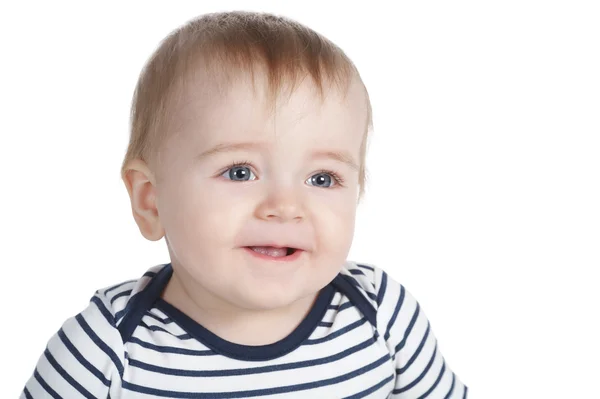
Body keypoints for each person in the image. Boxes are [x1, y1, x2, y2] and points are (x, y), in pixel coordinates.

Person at [21, 10, 467, 398]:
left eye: (322, 178)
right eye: (240, 171)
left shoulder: (380, 316)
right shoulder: (106, 349)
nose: (286, 206)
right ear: (150, 199)